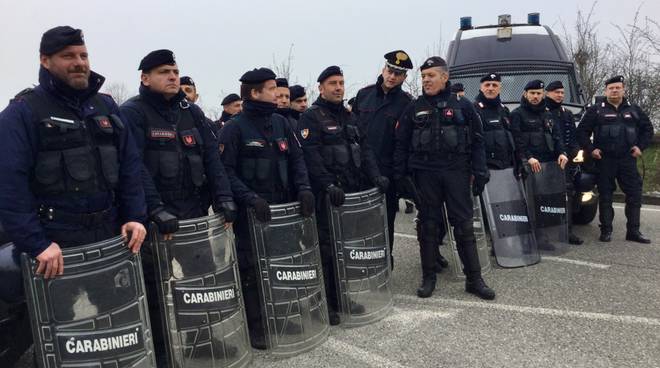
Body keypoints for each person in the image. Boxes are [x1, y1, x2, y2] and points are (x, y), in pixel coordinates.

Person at [0, 26, 147, 281]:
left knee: (119, 317)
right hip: (55, 247)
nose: (79, 63)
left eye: (83, 56)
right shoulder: (23, 113)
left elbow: (130, 167)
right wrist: (37, 244)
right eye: (68, 56)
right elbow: (9, 185)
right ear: (45, 60)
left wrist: (135, 216)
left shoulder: (106, 106)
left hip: (111, 237)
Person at [120, 49, 237, 365]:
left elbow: (211, 157)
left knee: (198, 282)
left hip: (193, 215)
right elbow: (133, 166)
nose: (172, 77)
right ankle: (159, 352)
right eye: (163, 72)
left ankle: (200, 340)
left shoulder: (191, 112)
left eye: (174, 71)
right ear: (145, 78)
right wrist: (155, 208)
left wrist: (224, 198)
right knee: (155, 286)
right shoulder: (133, 112)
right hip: (156, 221)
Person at [217, 67, 315, 348]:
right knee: (252, 270)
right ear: (255, 93)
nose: (278, 93)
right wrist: (250, 198)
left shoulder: (281, 123)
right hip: (254, 213)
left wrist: (305, 189)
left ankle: (281, 314)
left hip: (283, 211)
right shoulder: (234, 129)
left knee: (282, 265)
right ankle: (257, 325)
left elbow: (297, 159)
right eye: (272, 89)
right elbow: (226, 173)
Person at [394, 56, 495, 300]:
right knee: (428, 225)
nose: (426, 81)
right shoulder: (414, 107)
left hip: (456, 173)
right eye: (423, 77)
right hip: (425, 174)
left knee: (463, 226)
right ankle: (429, 277)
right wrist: (401, 176)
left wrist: (480, 172)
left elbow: (479, 142)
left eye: (431, 76)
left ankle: (474, 279)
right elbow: (401, 144)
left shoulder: (464, 106)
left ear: (444, 77)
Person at [298, 65, 389, 324]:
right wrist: (327, 186)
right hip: (328, 196)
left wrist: (375, 177)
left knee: (343, 251)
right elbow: (311, 156)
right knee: (326, 252)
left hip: (350, 196)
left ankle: (341, 298)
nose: (338, 88)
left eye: (341, 83)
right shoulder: (311, 117)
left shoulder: (349, 116)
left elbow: (365, 149)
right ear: (321, 88)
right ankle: (322, 304)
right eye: (332, 84)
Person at [352, 50, 418, 269]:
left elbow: (404, 143)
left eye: (398, 74)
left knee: (385, 222)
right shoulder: (364, 95)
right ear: (383, 69)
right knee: (358, 221)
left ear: (404, 78)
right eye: (390, 70)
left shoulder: (406, 103)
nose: (392, 76)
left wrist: (398, 176)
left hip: (386, 173)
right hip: (360, 170)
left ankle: (384, 262)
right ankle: (361, 263)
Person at [577, 75, 654, 243]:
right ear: (606, 91)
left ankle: (633, 231)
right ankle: (606, 231)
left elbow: (648, 130)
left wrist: (640, 147)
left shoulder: (634, 110)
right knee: (606, 195)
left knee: (634, 194)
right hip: (605, 160)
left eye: (618, 87)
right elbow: (582, 132)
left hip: (627, 159)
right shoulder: (596, 110)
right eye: (611, 88)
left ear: (623, 89)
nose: (614, 90)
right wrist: (591, 150)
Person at [545, 80, 583, 245]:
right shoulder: (542, 111)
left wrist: (576, 152)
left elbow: (572, 137)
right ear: (548, 93)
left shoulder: (566, 113)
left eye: (562, 92)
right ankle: (545, 233)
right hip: (547, 161)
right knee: (544, 197)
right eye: (556, 92)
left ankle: (567, 232)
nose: (560, 95)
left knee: (566, 195)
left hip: (566, 162)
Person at [510, 80, 568, 174]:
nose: (535, 96)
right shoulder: (517, 114)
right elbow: (517, 140)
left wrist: (562, 152)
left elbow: (556, 136)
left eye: (538, 93)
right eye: (532, 93)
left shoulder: (547, 114)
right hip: (529, 164)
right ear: (525, 94)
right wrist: (528, 157)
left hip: (549, 162)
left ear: (543, 95)